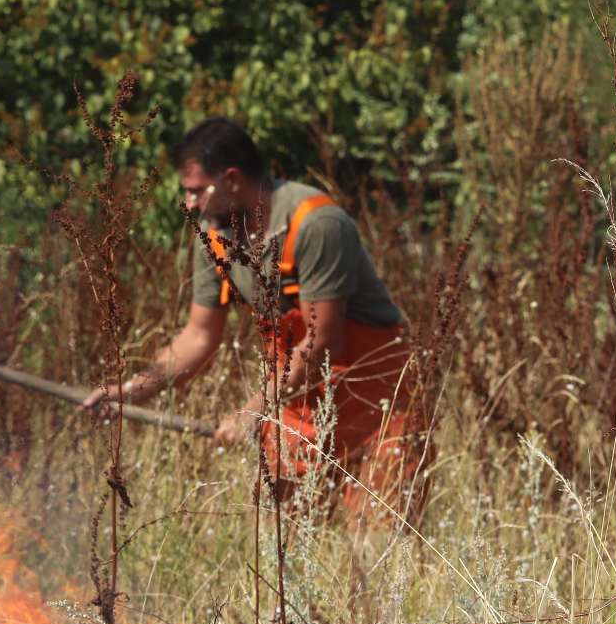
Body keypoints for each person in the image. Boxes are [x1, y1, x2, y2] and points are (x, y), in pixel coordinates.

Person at [81, 116, 426, 523]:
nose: (188, 203)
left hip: (377, 405)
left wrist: (254, 410)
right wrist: (132, 390)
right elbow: (196, 337)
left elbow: (322, 343)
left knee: (377, 555)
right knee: (290, 553)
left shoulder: (315, 223)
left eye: (195, 191)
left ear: (231, 178)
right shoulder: (214, 236)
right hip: (298, 404)